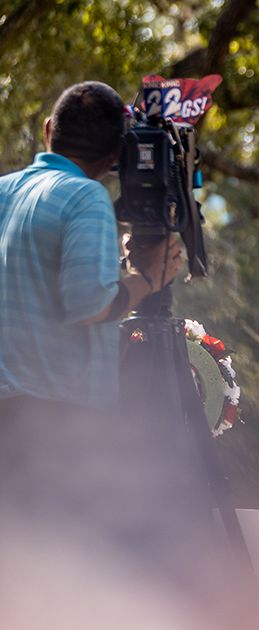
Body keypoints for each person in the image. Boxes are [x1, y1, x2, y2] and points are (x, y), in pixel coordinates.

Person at [0, 81, 191, 628]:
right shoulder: (83, 197)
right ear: (115, 157)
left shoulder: (4, 190)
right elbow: (87, 303)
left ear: (48, 131)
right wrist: (146, 279)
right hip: (56, 421)